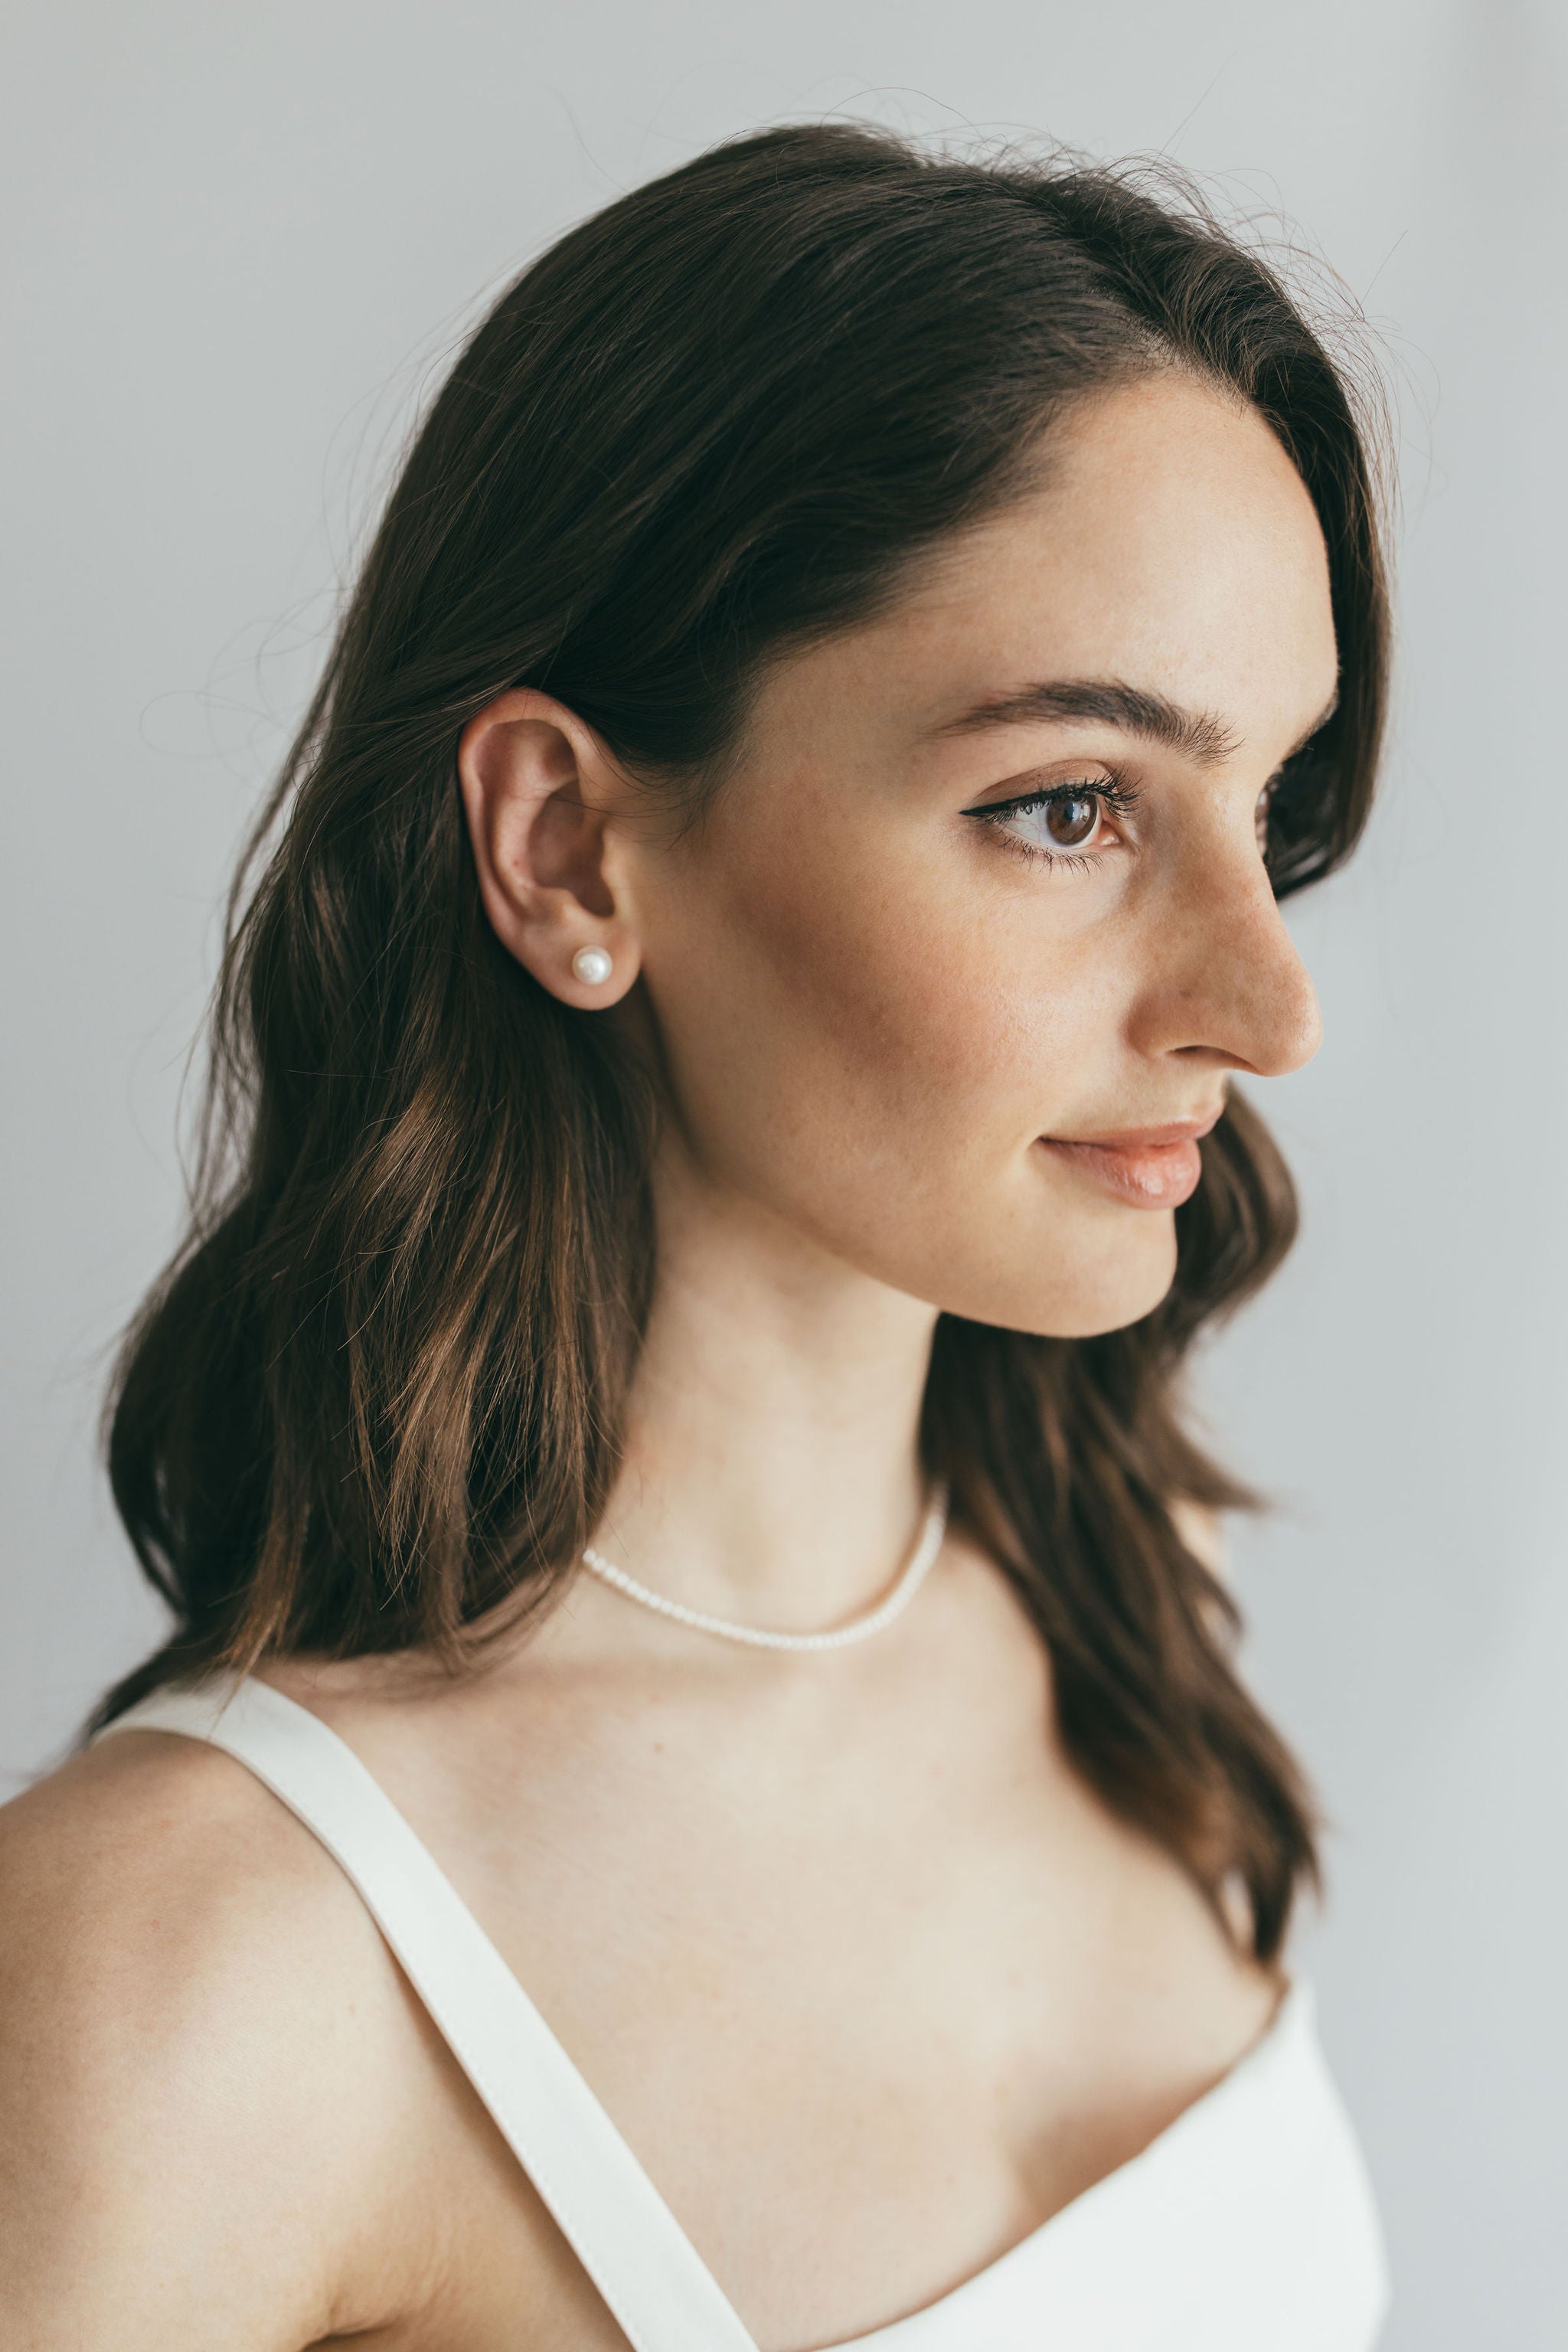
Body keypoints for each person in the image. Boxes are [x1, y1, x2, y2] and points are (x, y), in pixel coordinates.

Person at [0, 123, 1392, 2350]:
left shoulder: (1131, 1608)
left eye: (1271, 805)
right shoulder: (190, 1975)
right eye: (1069, 807)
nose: (1271, 1006)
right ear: (566, 848)